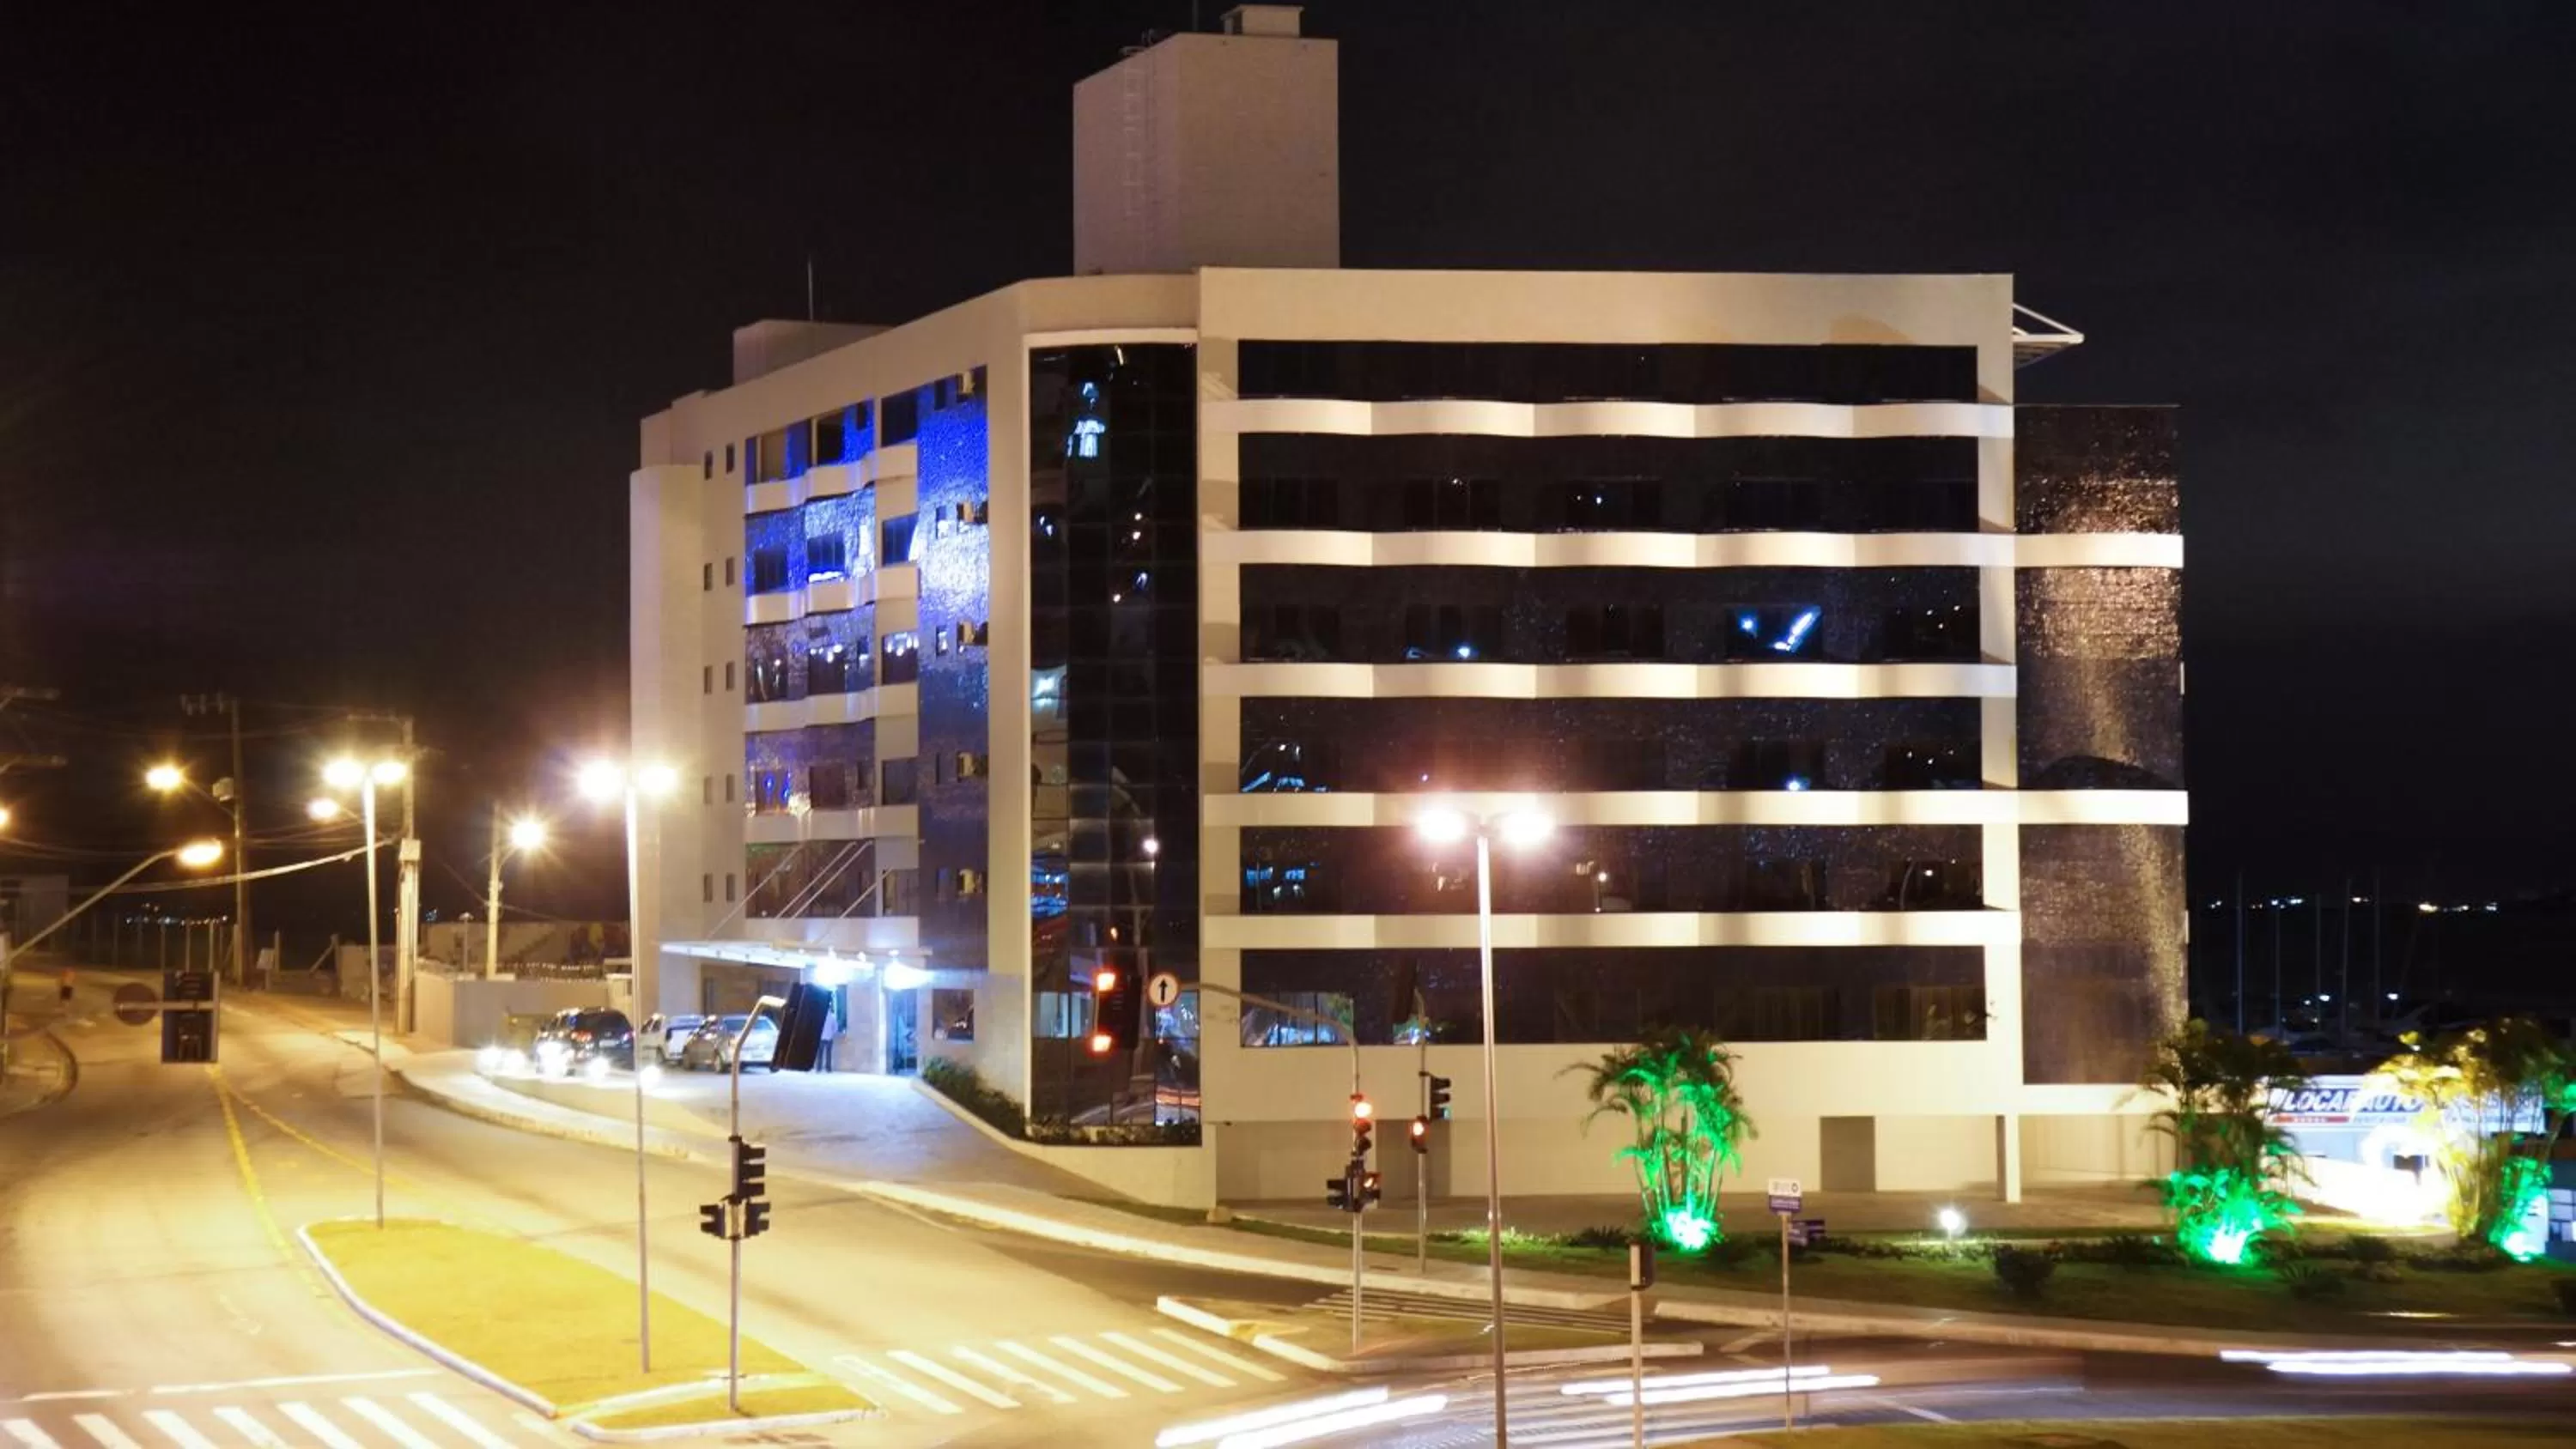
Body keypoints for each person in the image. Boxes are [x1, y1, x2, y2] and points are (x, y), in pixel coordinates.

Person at [816, 997, 840, 1071]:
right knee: (828, 1054)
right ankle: (828, 1068)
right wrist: (832, 1033)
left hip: (821, 1038)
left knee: (820, 1054)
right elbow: (836, 1028)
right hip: (829, 1038)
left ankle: (819, 1068)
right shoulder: (833, 1017)